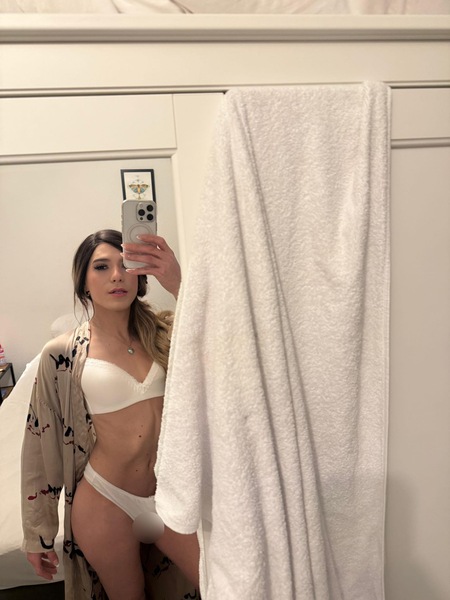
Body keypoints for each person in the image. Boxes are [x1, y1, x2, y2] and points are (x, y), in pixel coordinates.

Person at [21, 230, 200, 600]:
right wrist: (37, 533)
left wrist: (178, 282)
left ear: (140, 276)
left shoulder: (167, 331)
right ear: (83, 283)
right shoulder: (62, 353)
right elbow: (40, 442)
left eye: (126, 264)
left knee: (217, 581)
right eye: (102, 267)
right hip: (106, 500)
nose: (117, 275)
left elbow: (223, 346)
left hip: (169, 494)